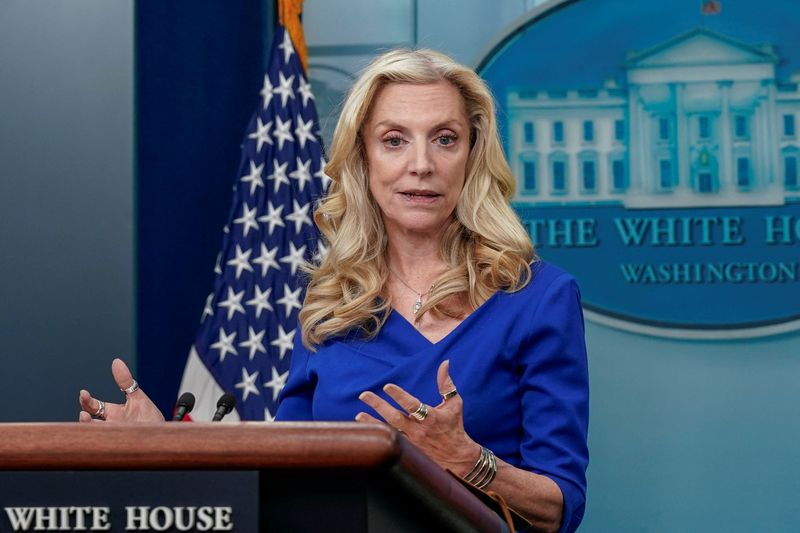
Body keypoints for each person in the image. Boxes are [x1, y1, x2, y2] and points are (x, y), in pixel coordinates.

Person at [79, 49, 589, 533]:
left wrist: (466, 460)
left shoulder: (537, 297)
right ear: (363, 158)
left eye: (445, 138)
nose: (421, 164)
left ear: (472, 155)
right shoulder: (332, 303)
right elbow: (286, 463)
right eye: (394, 139)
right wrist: (167, 445)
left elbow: (558, 507)